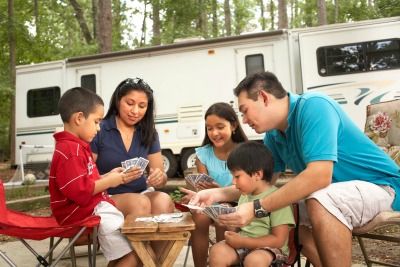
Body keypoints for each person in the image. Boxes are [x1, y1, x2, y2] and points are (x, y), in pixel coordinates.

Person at [187, 71, 400, 267]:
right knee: (290, 214)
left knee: (319, 198)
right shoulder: (274, 135)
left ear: (263, 97)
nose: (243, 120)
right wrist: (216, 194)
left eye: (244, 111)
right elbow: (260, 184)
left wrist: (256, 208)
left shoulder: (315, 106)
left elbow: (319, 176)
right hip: (335, 195)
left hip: (383, 187)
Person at [49, 87, 140, 266]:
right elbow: (80, 191)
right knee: (135, 255)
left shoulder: (76, 146)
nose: (99, 128)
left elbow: (84, 181)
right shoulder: (71, 151)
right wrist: (110, 182)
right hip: (79, 213)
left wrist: (108, 175)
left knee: (129, 253)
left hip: (88, 207)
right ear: (79, 118)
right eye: (97, 121)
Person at [91, 78, 174, 218]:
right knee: (140, 203)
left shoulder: (149, 132)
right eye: (130, 103)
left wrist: (159, 178)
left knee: (164, 201)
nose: (135, 111)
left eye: (142, 106)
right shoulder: (99, 129)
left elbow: (161, 177)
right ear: (118, 101)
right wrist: (111, 178)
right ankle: (136, 241)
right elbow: (85, 177)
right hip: (106, 195)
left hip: (140, 193)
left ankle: (154, 241)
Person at [208, 141, 294, 267]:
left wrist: (244, 241)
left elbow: (279, 240)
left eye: (237, 176)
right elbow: (240, 229)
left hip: (270, 249)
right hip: (244, 244)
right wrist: (229, 224)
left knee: (254, 261)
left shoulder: (277, 200)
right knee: (217, 251)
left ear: (257, 174)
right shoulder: (245, 195)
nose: (233, 181)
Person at [183, 102, 248, 267]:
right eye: (209, 128)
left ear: (233, 125)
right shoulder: (203, 154)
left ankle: (222, 261)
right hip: (210, 203)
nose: (214, 133)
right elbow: (202, 187)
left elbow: (247, 189)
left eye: (220, 127)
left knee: (223, 215)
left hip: (240, 203)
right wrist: (195, 194)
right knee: (199, 216)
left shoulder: (245, 151)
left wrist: (218, 190)